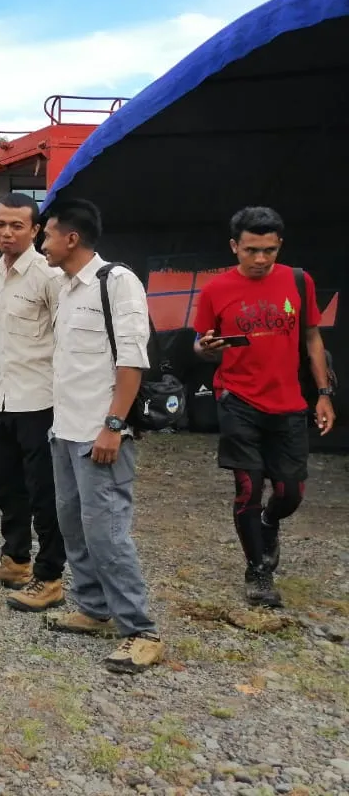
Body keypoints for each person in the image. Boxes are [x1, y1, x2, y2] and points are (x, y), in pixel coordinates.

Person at [40, 198, 162, 674]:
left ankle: (140, 631)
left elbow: (131, 360)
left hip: (101, 433)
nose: (43, 242)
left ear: (71, 238)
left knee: (107, 532)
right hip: (64, 430)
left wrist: (114, 425)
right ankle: (93, 608)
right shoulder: (67, 288)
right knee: (72, 523)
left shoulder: (117, 281)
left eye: (48, 234)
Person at [193, 206, 336, 609]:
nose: (260, 259)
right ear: (234, 246)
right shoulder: (215, 290)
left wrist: (324, 394)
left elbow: (312, 338)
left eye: (268, 250)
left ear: (279, 247)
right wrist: (205, 347)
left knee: (290, 492)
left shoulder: (298, 281)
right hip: (237, 400)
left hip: (289, 403)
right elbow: (199, 343)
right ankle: (258, 571)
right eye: (251, 250)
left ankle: (270, 523)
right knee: (248, 488)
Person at [0, 194, 67, 613]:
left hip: (40, 400)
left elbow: (67, 337)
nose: (7, 233)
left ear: (35, 230)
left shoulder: (48, 275)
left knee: (44, 493)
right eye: (1, 225)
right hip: (2, 396)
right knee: (4, 485)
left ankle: (49, 578)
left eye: (17, 226)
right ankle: (15, 561)